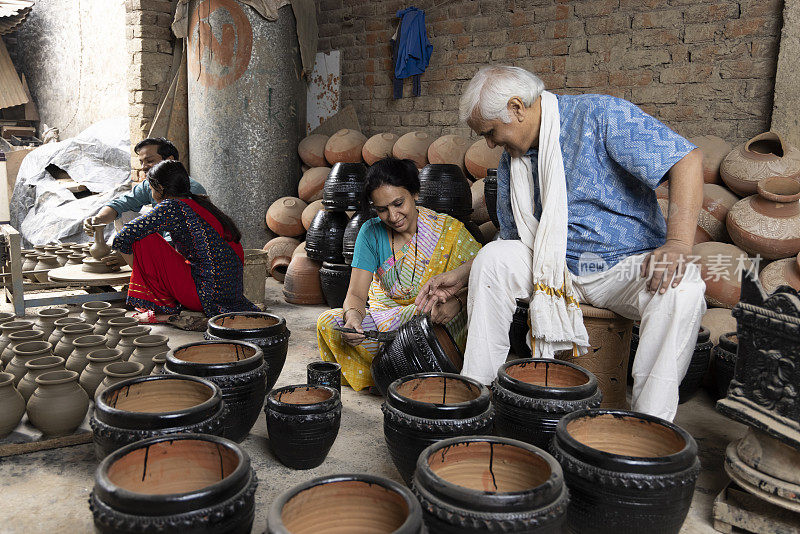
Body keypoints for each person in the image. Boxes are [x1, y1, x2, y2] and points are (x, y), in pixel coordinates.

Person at [415, 66, 706, 422]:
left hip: (622, 266)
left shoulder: (600, 115)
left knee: (684, 289)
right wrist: (463, 275)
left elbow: (686, 160)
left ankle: (648, 424)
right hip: (552, 268)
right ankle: (479, 393)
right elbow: (512, 240)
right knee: (493, 258)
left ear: (517, 108)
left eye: (490, 132)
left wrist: (678, 243)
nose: (489, 144)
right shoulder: (513, 161)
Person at [316, 157, 481, 391]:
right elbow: (355, 294)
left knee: (432, 320)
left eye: (398, 203)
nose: (393, 216)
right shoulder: (370, 231)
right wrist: (353, 319)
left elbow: (486, 272)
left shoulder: (448, 229)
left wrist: (457, 302)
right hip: (388, 321)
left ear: (414, 193)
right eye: (382, 209)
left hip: (436, 323)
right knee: (329, 323)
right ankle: (393, 375)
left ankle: (396, 372)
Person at [110, 160, 257, 324]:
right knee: (146, 235)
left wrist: (136, 266)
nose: (150, 192)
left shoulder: (171, 206)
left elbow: (123, 236)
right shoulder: (197, 202)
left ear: (160, 188)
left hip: (205, 295)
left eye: (150, 188)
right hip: (230, 293)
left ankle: (160, 304)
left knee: (142, 238)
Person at [83, 137, 207, 232]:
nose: (143, 167)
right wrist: (98, 219)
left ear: (169, 160)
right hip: (165, 235)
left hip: (184, 247)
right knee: (124, 212)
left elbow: (185, 234)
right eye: (141, 162)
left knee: (128, 238)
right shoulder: (149, 185)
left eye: (150, 161)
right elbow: (120, 204)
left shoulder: (190, 189)